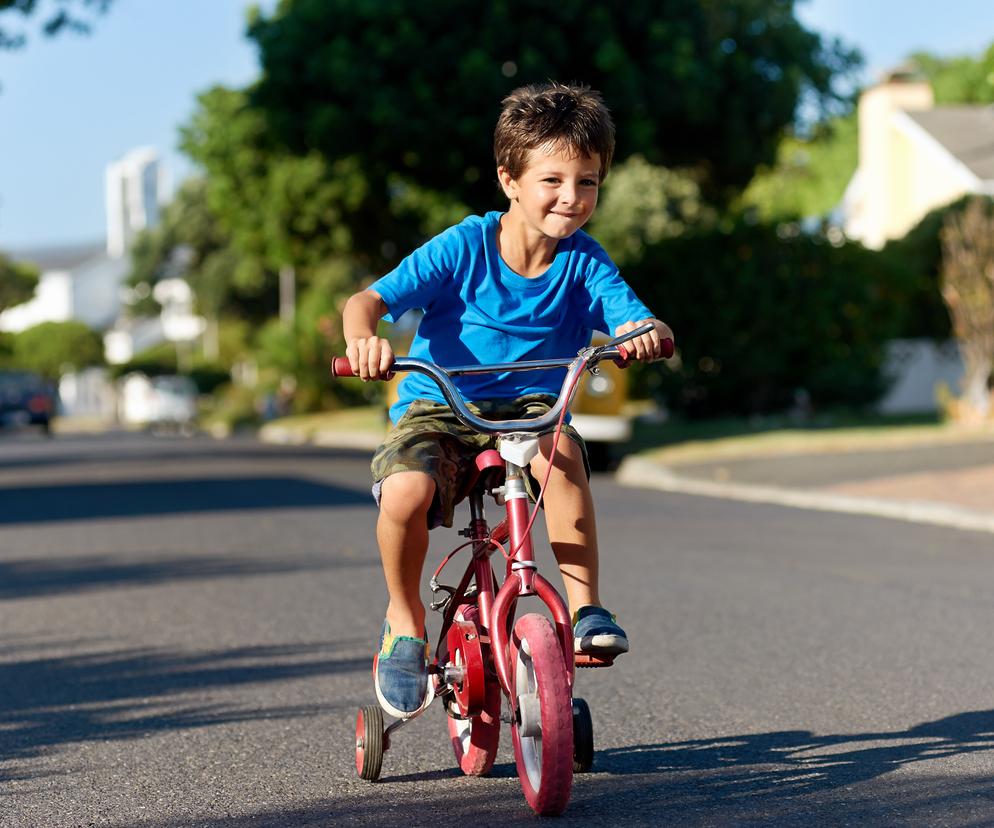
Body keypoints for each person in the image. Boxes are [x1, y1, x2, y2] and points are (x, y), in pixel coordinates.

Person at [342, 81, 673, 718]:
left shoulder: (586, 263)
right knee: (406, 492)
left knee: (564, 452)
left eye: (588, 182)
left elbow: (632, 316)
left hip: (531, 407)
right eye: (552, 180)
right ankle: (404, 619)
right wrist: (365, 339)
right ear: (509, 181)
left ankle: (585, 610)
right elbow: (368, 303)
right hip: (444, 401)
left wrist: (644, 332)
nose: (571, 199)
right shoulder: (465, 246)